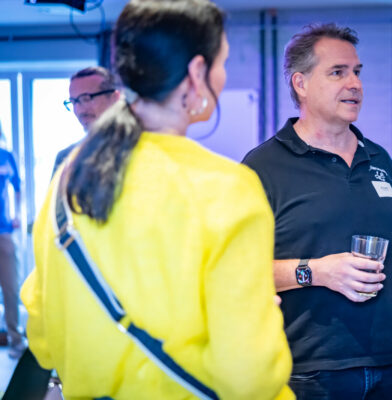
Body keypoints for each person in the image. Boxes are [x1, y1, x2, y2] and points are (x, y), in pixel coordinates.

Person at [21, 0, 293, 399]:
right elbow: (248, 378)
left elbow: (42, 336)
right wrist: (263, 321)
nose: (223, 76)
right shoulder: (226, 188)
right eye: (222, 62)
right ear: (197, 72)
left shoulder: (69, 179)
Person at [243, 24, 392, 399]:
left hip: (389, 363)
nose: (354, 83)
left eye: (357, 72)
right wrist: (317, 271)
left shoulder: (379, 159)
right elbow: (239, 272)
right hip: (307, 371)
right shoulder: (263, 167)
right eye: (338, 72)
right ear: (300, 83)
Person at [53, 66, 121, 176]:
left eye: (86, 98)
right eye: (74, 102)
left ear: (114, 98)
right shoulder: (65, 158)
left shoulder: (137, 148)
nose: (79, 109)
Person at [0, 124, 26, 359]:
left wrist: (17, 214)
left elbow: (18, 188)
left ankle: (15, 338)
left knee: (10, 286)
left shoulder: (7, 157)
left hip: (4, 231)